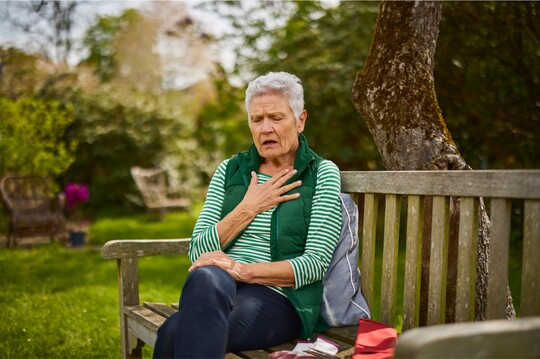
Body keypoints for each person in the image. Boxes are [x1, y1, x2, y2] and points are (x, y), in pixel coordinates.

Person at [153, 71, 342, 358]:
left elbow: (314, 265)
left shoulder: (321, 173)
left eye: (276, 118)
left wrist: (241, 270)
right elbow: (198, 250)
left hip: (279, 298)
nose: (265, 128)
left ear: (300, 120)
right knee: (206, 277)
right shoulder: (230, 170)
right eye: (257, 120)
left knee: (172, 332)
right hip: (217, 289)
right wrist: (248, 207)